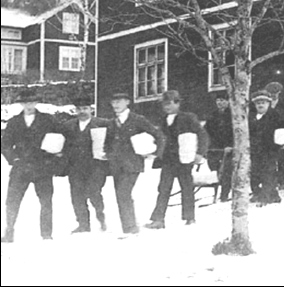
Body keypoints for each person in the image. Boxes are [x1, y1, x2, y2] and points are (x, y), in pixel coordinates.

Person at [1, 89, 64, 243]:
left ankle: (46, 234)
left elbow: (61, 137)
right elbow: (5, 144)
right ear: (21, 104)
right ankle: (9, 233)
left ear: (36, 103)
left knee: (46, 201)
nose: (29, 105)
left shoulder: (48, 120)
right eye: (25, 102)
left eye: (32, 102)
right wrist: (13, 159)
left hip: (42, 167)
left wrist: (54, 157)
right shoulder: (14, 122)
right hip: (20, 168)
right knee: (12, 201)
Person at [104, 92, 166, 236]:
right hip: (116, 165)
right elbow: (108, 142)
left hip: (132, 164)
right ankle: (128, 227)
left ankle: (131, 228)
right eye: (113, 102)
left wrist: (156, 153)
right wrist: (108, 153)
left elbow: (159, 136)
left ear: (127, 102)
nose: (116, 105)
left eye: (119, 101)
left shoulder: (138, 120)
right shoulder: (112, 122)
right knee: (121, 195)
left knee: (123, 193)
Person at [146, 90, 209, 229]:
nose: (166, 107)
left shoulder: (188, 118)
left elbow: (202, 135)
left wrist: (200, 153)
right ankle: (158, 220)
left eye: (169, 103)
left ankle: (190, 217)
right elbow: (161, 139)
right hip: (168, 159)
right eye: (164, 104)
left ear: (177, 103)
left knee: (186, 187)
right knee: (163, 188)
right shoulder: (163, 120)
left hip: (184, 159)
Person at [63, 94, 111, 234]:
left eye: (85, 108)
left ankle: (101, 217)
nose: (82, 111)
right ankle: (83, 224)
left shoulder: (103, 123)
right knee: (77, 195)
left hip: (96, 167)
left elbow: (112, 141)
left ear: (91, 109)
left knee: (93, 192)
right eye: (79, 109)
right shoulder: (68, 126)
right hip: (75, 167)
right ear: (75, 111)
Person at [249, 91, 284, 205]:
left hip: (270, 150)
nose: (260, 105)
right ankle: (269, 194)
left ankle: (265, 197)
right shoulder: (251, 117)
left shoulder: (275, 115)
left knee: (268, 173)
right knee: (255, 173)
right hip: (255, 150)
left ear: (268, 104)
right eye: (258, 103)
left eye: (263, 103)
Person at [204, 91, 234, 201]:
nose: (220, 103)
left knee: (226, 171)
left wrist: (231, 146)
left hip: (229, 148)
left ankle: (224, 194)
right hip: (216, 148)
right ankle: (219, 187)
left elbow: (236, 132)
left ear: (228, 101)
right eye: (218, 101)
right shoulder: (213, 115)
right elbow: (206, 131)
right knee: (214, 168)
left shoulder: (232, 114)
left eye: (222, 100)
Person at [264, 82, 284, 190]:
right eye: (271, 93)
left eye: (275, 93)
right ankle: (271, 181)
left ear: (279, 92)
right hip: (268, 133)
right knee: (270, 159)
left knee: (281, 159)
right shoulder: (266, 103)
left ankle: (282, 181)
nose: (273, 95)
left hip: (281, 133)